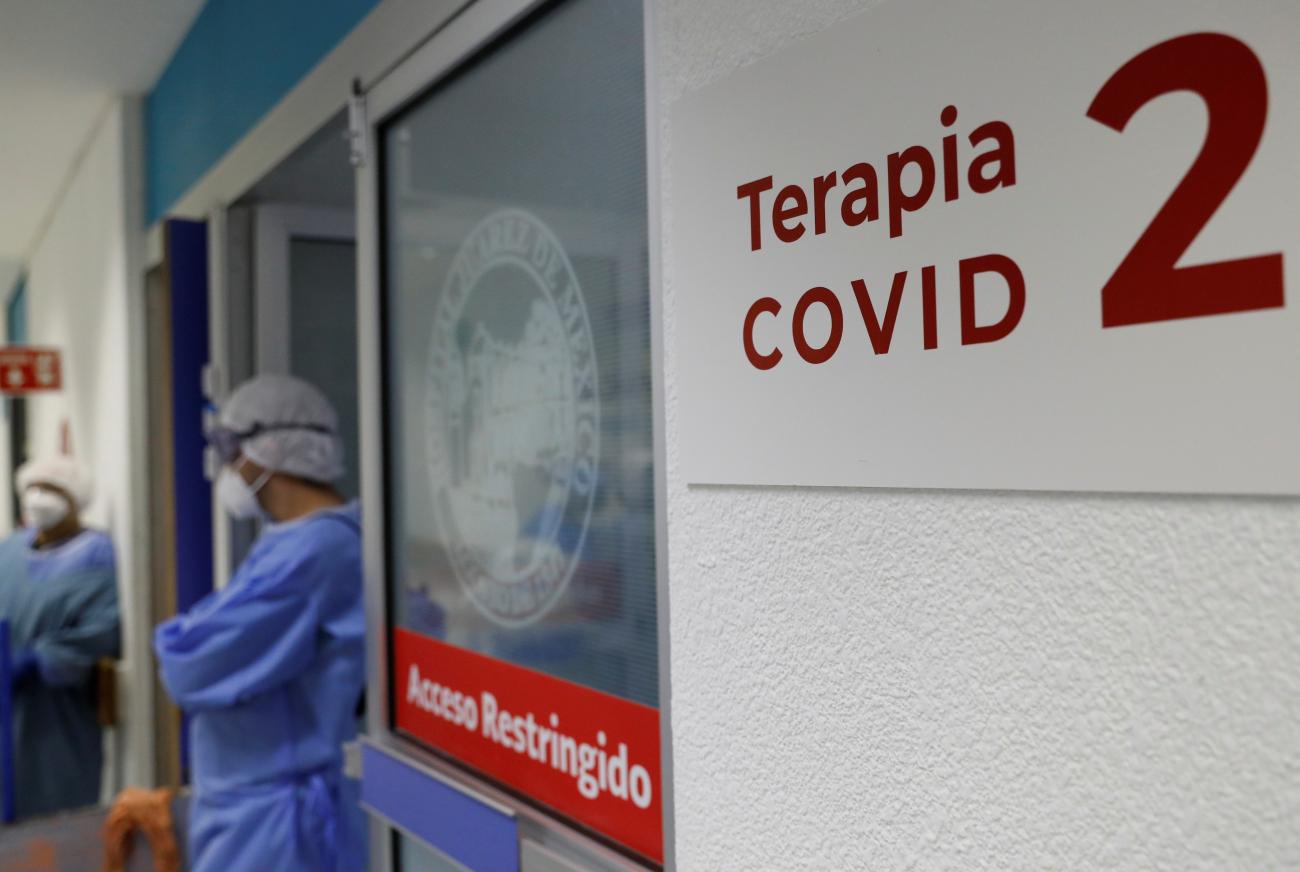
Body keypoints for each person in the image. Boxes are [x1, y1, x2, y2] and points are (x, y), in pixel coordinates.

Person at [154, 375, 365, 871]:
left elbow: (189, 664)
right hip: (251, 806)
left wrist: (182, 637)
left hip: (276, 821)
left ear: (273, 448)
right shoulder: (289, 542)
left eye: (232, 447)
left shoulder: (319, 550)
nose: (228, 465)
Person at [0, 456, 120, 819]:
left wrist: (39, 661)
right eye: (33, 488)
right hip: (6, 705)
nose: (38, 497)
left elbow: (104, 628)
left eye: (52, 490)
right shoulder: (10, 551)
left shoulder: (95, 555)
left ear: (74, 500)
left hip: (58, 714)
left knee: (53, 812)